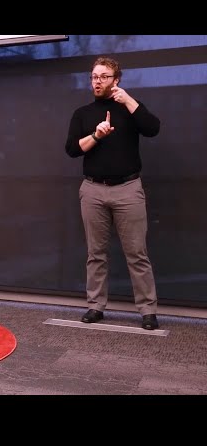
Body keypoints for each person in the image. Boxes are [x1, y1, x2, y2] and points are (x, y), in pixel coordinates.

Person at [65, 56, 161, 330]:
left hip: (128, 189)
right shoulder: (82, 113)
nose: (97, 81)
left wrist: (128, 100)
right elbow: (72, 149)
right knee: (96, 253)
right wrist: (97, 135)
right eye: (94, 77)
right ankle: (95, 306)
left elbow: (153, 128)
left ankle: (148, 310)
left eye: (104, 77)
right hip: (93, 190)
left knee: (137, 253)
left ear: (116, 80)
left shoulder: (130, 108)